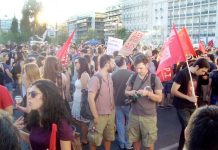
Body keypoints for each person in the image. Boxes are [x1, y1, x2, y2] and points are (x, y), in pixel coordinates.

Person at [19, 79, 74, 150]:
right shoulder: (35, 116)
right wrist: (15, 131)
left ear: (47, 96)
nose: (28, 97)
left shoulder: (61, 123)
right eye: (28, 93)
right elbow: (35, 140)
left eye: (33, 94)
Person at [125, 54, 163, 150]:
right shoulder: (133, 77)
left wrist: (148, 94)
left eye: (140, 68)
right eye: (136, 68)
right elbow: (125, 92)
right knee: (135, 142)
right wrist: (131, 92)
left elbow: (159, 98)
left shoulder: (154, 79)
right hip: (134, 115)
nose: (138, 71)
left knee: (149, 144)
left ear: (147, 65)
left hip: (149, 117)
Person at [171, 58, 210, 150]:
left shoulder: (198, 74)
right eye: (203, 71)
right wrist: (188, 97)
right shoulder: (183, 74)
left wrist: (205, 77)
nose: (203, 73)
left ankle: (181, 147)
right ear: (197, 67)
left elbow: (203, 84)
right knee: (191, 129)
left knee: (187, 129)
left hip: (192, 104)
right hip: (182, 106)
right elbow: (173, 91)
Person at [87, 54, 115, 150]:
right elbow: (90, 99)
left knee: (108, 138)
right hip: (99, 115)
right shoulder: (95, 79)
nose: (114, 65)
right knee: (94, 139)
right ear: (107, 64)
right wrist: (95, 116)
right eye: (113, 63)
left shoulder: (109, 77)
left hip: (110, 114)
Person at [112, 56, 133, 150]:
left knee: (120, 123)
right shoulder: (131, 73)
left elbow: (112, 90)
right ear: (124, 62)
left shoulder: (113, 74)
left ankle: (121, 143)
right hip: (128, 101)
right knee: (129, 122)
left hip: (117, 101)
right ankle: (128, 143)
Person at [71, 57, 90, 145]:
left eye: (76, 62)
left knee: (83, 122)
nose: (75, 64)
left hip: (81, 102)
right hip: (77, 100)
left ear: (81, 64)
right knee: (76, 119)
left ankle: (84, 139)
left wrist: (83, 105)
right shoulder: (80, 74)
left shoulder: (84, 75)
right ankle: (86, 133)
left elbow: (85, 91)